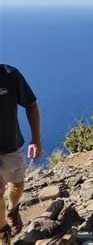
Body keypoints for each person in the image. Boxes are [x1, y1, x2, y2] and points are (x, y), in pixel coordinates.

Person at [0, 64, 41, 244]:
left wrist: (36, 139)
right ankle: (3, 230)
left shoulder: (10, 74)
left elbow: (31, 104)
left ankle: (13, 208)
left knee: (16, 186)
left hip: (11, 146)